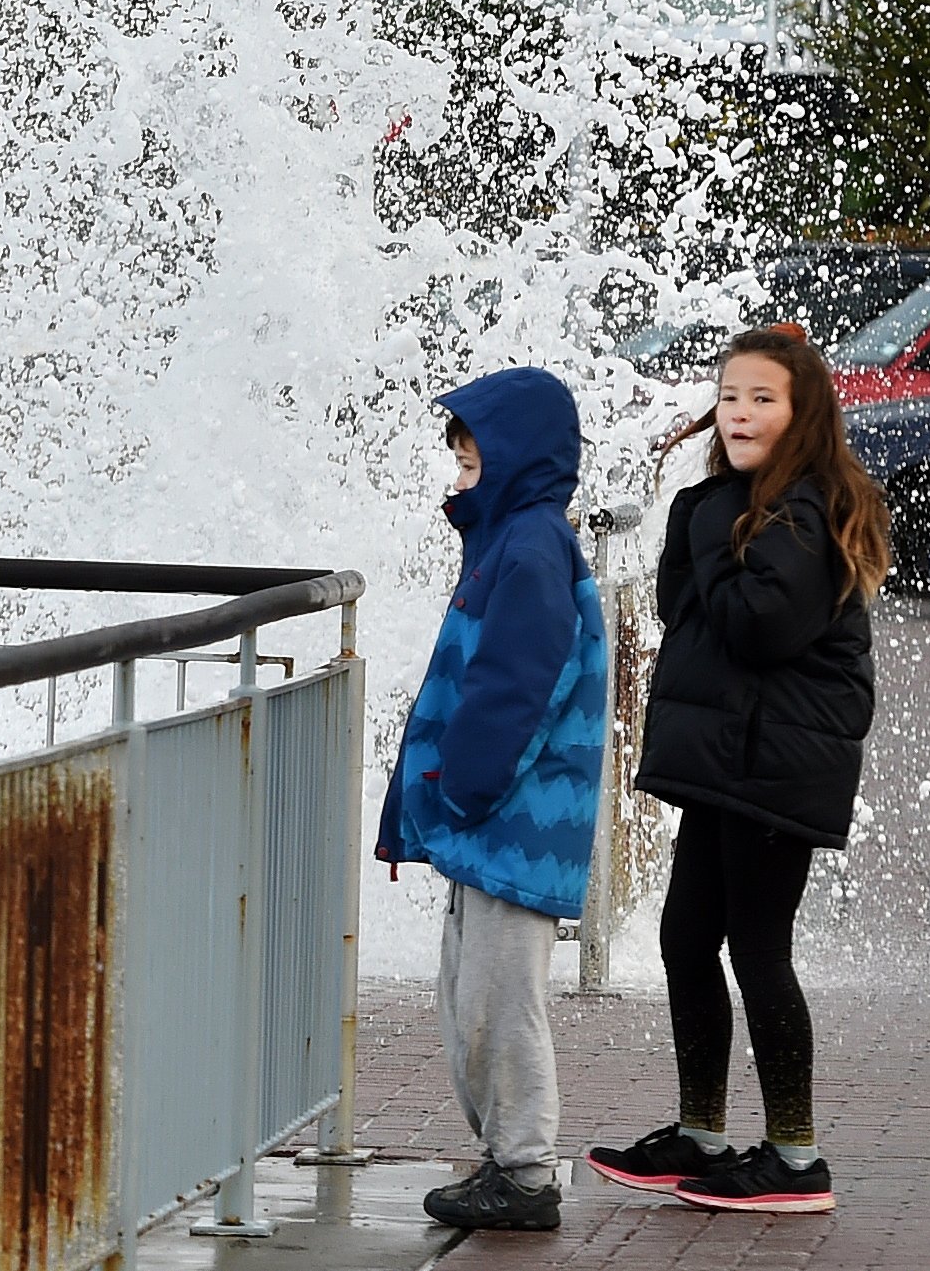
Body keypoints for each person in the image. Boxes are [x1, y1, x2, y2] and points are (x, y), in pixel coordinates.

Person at [586, 326, 882, 1215]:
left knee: (756, 947)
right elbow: (684, 609)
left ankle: (795, 1158)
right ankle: (701, 1133)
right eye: (729, 396)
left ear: (801, 413)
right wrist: (703, 519)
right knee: (685, 937)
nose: (741, 411)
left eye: (763, 397)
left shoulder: (806, 509)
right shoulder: (732, 502)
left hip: (776, 767)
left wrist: (708, 522)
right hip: (733, 760)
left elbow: (755, 624)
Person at [377, 365, 611, 1233]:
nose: (458, 481)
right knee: (467, 999)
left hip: (513, 819)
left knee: (498, 1004)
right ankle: (506, 1160)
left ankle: (522, 1172)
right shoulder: (509, 541)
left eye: (471, 466)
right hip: (492, 822)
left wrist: (460, 785)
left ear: (515, 461)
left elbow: (517, 684)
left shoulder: (528, 546)